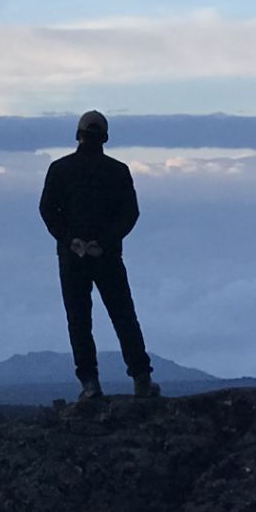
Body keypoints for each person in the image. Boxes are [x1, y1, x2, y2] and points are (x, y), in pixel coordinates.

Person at [38, 110, 160, 402]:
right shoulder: (117, 171)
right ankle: (141, 380)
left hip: (73, 257)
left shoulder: (60, 169)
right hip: (106, 256)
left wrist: (70, 241)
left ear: (77, 134)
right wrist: (103, 242)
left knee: (79, 320)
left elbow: (47, 210)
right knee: (123, 316)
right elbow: (130, 213)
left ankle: (90, 384)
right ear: (104, 137)